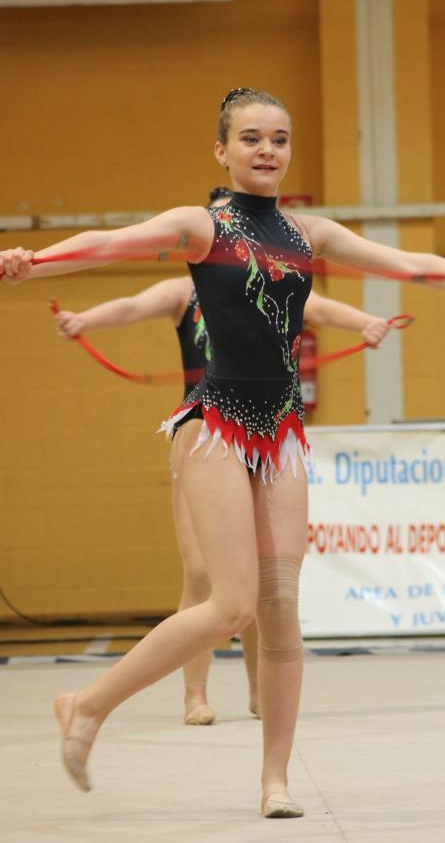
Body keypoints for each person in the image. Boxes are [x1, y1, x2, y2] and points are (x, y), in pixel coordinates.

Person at [0, 87, 445, 818]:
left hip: (279, 430)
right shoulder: (200, 225)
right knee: (231, 605)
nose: (267, 151)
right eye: (250, 138)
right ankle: (85, 706)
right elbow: (108, 244)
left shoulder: (310, 232)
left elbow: (406, 262)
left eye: (279, 139)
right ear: (222, 150)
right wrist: (33, 263)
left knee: (281, 607)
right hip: (215, 423)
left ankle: (274, 781)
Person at [53, 185, 392, 727]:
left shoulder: (277, 269)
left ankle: (260, 690)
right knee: (200, 574)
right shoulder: (182, 290)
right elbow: (130, 304)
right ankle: (195, 694)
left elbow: (320, 306)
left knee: (261, 583)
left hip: (264, 430)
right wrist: (85, 320)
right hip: (209, 431)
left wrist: (366, 324)